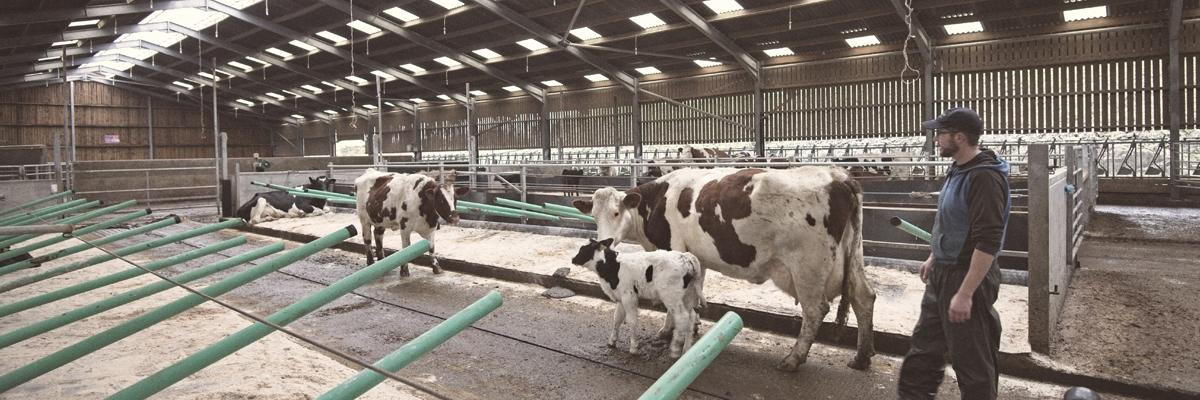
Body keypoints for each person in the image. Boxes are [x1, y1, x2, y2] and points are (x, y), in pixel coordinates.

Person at [898, 107, 1011, 400]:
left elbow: (988, 241)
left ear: (959, 137)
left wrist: (966, 293)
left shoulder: (984, 178)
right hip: (943, 273)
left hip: (965, 276)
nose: (936, 139)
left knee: (972, 361)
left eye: (941, 133)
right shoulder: (959, 169)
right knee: (923, 350)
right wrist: (935, 255)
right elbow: (951, 220)